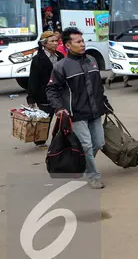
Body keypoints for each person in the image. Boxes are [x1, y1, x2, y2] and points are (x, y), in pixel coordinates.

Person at [46, 27, 113, 189]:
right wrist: (59, 109)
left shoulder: (92, 60)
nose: (82, 44)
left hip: (95, 110)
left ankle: (81, 163)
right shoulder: (61, 66)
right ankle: (93, 176)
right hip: (75, 114)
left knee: (98, 142)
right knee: (86, 145)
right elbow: (51, 89)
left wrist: (104, 102)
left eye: (83, 41)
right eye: (78, 42)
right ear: (68, 45)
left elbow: (98, 87)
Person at [26, 31, 64, 148]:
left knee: (63, 118)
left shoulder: (60, 57)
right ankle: (40, 141)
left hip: (60, 93)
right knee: (45, 119)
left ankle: (62, 140)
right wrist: (31, 98)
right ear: (44, 44)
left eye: (56, 41)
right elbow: (33, 79)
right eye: (52, 41)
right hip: (44, 95)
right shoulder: (38, 59)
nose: (55, 43)